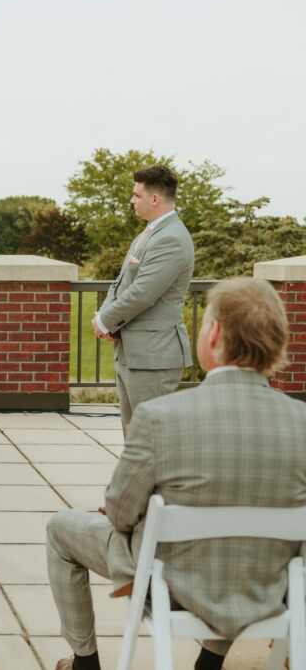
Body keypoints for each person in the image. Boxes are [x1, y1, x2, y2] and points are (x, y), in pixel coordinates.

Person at [47, 278, 306, 670]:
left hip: (173, 586)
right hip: (267, 586)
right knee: (239, 546)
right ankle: (210, 661)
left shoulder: (160, 416)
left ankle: (84, 665)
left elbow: (119, 514)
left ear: (214, 334)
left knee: (60, 529)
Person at [92, 165, 194, 436]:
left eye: (136, 195)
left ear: (155, 199)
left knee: (152, 438)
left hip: (154, 357)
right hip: (134, 353)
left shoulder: (171, 238)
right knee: (134, 435)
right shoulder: (148, 233)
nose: (131, 200)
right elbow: (122, 281)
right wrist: (105, 320)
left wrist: (105, 320)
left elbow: (143, 293)